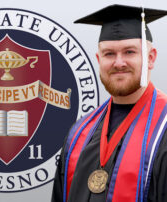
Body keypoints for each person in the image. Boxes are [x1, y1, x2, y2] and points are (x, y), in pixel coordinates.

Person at [51, 4, 167, 202]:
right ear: (99, 59)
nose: (119, 62)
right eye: (109, 54)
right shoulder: (79, 133)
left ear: (150, 58)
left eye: (129, 52)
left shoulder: (163, 129)